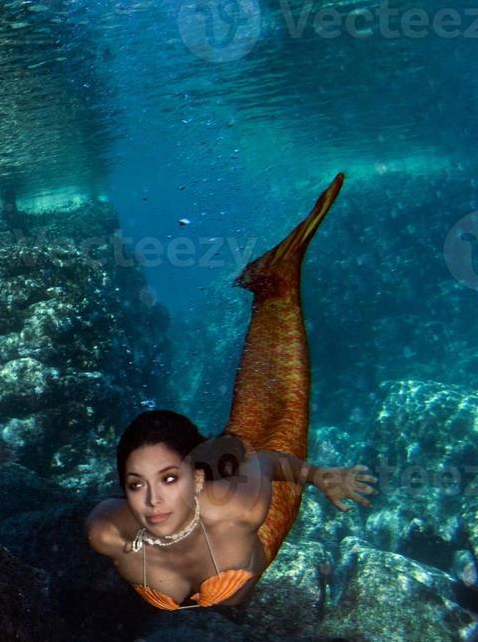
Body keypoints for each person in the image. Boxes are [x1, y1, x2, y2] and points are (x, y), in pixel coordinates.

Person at [86, 173, 376, 609]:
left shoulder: (240, 511)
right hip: (209, 475)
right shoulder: (106, 531)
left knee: (280, 417)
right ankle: (272, 285)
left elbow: (266, 462)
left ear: (196, 480)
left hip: (236, 496)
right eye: (134, 484)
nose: (151, 501)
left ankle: (275, 284)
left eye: (166, 480)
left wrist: (320, 478)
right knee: (248, 427)